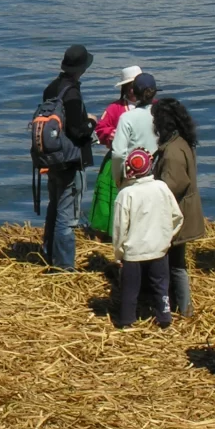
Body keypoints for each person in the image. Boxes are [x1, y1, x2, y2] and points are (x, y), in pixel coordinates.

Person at [110, 148, 184, 330]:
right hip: (159, 249)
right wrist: (167, 238)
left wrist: (119, 254)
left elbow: (119, 229)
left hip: (133, 253)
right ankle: (164, 318)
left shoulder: (125, 195)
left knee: (130, 290)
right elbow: (177, 217)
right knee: (161, 287)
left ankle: (127, 321)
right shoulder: (162, 188)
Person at [39, 44, 96, 271]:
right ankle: (64, 266)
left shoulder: (51, 88)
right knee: (67, 215)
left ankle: (49, 252)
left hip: (51, 157)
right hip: (69, 159)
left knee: (54, 206)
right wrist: (91, 122)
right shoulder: (71, 93)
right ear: (81, 68)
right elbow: (77, 131)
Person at [152, 97, 204, 317]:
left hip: (176, 214)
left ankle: (182, 308)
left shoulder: (172, 152)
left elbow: (173, 184)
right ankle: (180, 304)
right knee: (176, 261)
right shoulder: (182, 142)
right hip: (185, 209)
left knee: (174, 264)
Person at [87, 65, 141, 237]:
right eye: (129, 86)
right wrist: (113, 135)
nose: (132, 90)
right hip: (118, 157)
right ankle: (109, 231)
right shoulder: (115, 108)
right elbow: (101, 128)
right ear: (124, 88)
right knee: (111, 193)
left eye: (135, 85)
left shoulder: (152, 106)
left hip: (145, 159)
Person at [109, 71, 158, 185]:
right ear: (154, 93)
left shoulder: (126, 118)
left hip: (134, 177)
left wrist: (118, 178)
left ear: (134, 93)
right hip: (158, 176)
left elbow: (118, 154)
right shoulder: (163, 114)